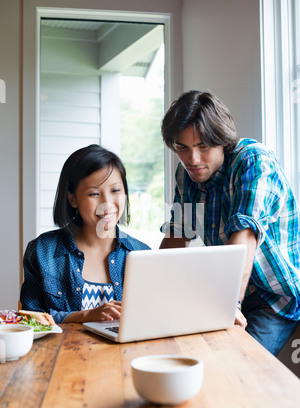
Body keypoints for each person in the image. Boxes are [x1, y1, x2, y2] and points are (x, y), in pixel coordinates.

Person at [160, 89, 300, 356]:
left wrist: (230, 304)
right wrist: (152, 293)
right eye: (183, 148)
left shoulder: (254, 160)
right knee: (177, 349)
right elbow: (178, 234)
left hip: (273, 296)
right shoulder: (186, 173)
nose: (193, 160)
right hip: (222, 289)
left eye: (203, 147)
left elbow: (244, 237)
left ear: (222, 141)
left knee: (234, 362)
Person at [20, 144, 150, 324]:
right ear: (72, 198)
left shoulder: (143, 254)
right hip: (62, 352)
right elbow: (30, 319)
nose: (107, 203)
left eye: (115, 190)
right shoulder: (42, 251)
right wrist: (86, 316)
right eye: (94, 193)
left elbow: (153, 318)